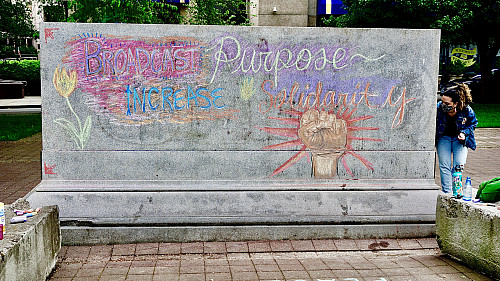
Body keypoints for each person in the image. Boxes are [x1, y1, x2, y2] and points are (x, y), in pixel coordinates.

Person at [436, 83, 478, 193]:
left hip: (459, 140)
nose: (443, 104)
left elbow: (473, 123)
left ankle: (456, 191)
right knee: (444, 166)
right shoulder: (439, 108)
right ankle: (447, 193)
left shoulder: (466, 110)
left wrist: (464, 133)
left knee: (458, 166)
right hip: (443, 138)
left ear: (455, 103)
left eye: (446, 103)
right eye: (442, 101)